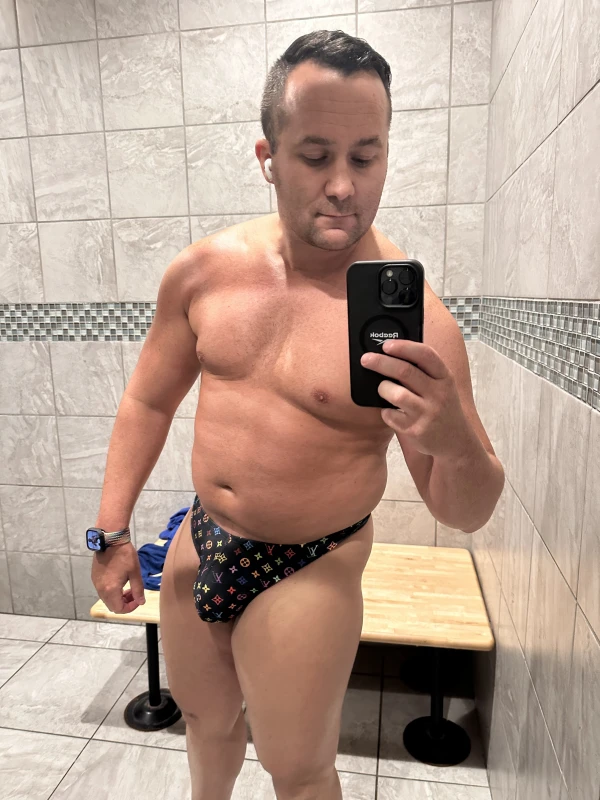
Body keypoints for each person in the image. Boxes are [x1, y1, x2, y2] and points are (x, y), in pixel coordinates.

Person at [91, 30, 504, 800]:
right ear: (269, 157)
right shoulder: (204, 273)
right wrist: (111, 531)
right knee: (205, 726)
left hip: (310, 563)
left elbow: (466, 510)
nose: (343, 185)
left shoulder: (419, 323)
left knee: (299, 769)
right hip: (199, 538)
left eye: (365, 157)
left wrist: (456, 444)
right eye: (316, 156)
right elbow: (148, 399)